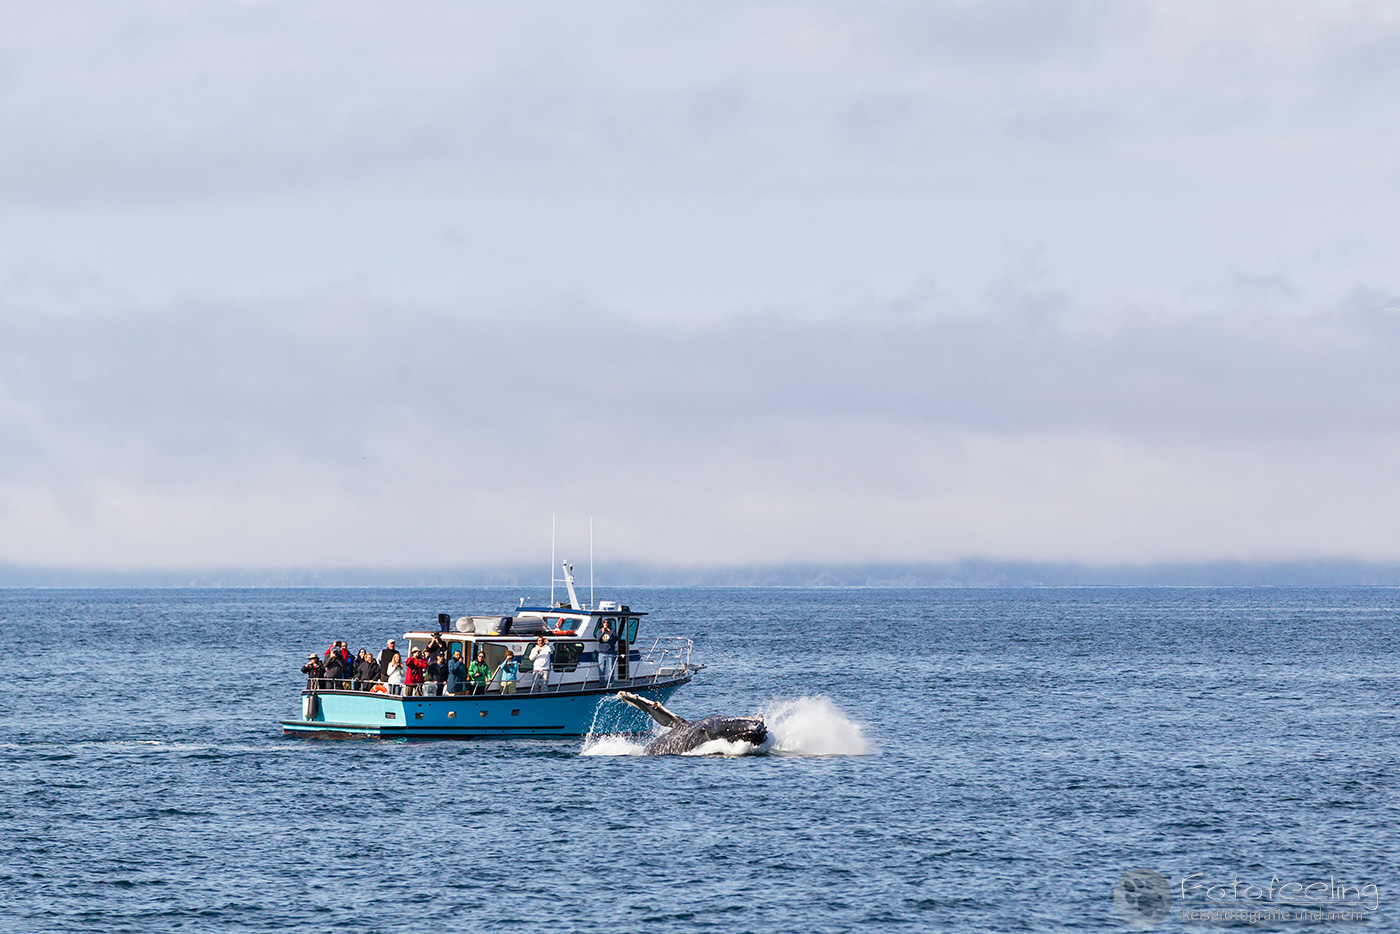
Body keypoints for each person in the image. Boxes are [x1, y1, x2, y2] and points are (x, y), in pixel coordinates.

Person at [596, 619, 618, 687]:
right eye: (604, 622)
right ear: (602, 623)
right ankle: (601, 683)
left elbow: (616, 638)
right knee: (601, 669)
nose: (606, 624)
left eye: (607, 622)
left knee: (610, 669)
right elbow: (598, 639)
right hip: (602, 653)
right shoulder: (599, 631)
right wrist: (602, 633)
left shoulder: (612, 630)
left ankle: (610, 684)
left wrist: (610, 633)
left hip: (610, 653)